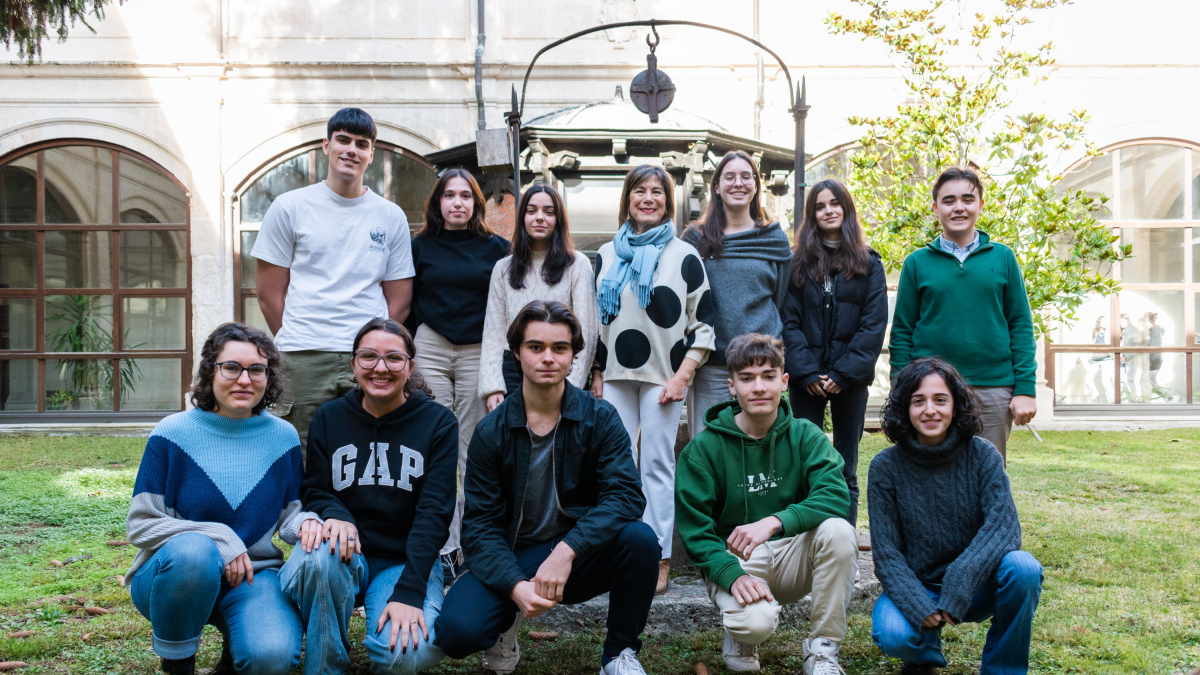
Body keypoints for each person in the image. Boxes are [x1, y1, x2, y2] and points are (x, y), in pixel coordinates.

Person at [437, 301, 660, 675]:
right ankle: (506, 622)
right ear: (516, 353)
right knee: (458, 632)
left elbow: (625, 496)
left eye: (560, 348)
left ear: (573, 356)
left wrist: (566, 550)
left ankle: (619, 655)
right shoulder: (491, 432)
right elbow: (479, 528)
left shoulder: (599, 418)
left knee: (640, 540)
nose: (548, 358)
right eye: (535, 347)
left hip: (579, 555)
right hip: (515, 555)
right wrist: (513, 586)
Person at [126, 323, 313, 675]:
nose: (244, 380)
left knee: (272, 657)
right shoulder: (172, 432)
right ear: (210, 370)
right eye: (231, 367)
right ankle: (178, 665)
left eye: (257, 369)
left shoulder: (283, 436)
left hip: (253, 576)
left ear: (268, 377)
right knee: (195, 551)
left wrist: (311, 524)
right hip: (175, 576)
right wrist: (219, 535)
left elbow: (290, 514)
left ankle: (234, 654)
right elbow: (141, 524)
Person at [279, 318, 457, 675]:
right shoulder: (330, 417)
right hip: (343, 553)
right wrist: (336, 514)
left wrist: (410, 591)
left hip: (403, 560)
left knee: (405, 653)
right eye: (368, 356)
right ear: (353, 364)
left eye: (393, 358)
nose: (380, 367)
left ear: (409, 366)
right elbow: (314, 487)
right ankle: (327, 666)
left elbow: (434, 512)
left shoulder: (437, 422)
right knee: (318, 559)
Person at [675, 333, 857, 675]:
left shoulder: (806, 435)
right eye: (746, 378)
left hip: (792, 554)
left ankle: (822, 651)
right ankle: (741, 636)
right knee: (755, 622)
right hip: (738, 559)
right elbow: (695, 531)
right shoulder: (702, 450)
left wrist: (774, 521)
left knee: (839, 531)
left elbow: (835, 494)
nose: (758, 387)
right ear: (732, 387)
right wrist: (729, 575)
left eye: (768, 376)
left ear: (784, 381)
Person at [253, 108, 415, 452]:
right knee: (299, 453)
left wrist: (374, 348)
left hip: (368, 357)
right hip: (303, 354)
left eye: (361, 144)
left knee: (367, 452)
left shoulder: (390, 216)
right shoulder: (289, 207)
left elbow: (399, 300)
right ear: (326, 146)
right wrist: (302, 331)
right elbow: (268, 294)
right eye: (343, 140)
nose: (351, 150)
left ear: (371, 154)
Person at [870, 357, 1042, 675]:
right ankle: (922, 658)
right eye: (917, 401)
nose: (930, 410)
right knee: (893, 634)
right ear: (904, 408)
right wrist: (919, 605)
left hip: (977, 584)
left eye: (940, 400)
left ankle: (1002, 669)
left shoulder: (983, 455)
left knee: (1024, 569)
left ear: (955, 405)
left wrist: (959, 584)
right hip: (919, 586)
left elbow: (1004, 528)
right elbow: (886, 553)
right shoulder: (885, 467)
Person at [592, 164, 716, 593]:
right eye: (639, 191)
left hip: (665, 377)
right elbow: (597, 324)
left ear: (668, 201)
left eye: (656, 192)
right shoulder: (607, 254)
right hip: (613, 376)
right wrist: (595, 372)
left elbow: (703, 325)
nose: (648, 198)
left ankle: (658, 557)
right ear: (627, 198)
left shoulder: (684, 255)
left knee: (657, 465)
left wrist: (683, 377)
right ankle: (619, 552)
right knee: (616, 465)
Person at [888, 167, 1037, 462]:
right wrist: (901, 388)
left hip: (993, 386)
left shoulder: (1003, 257)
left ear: (980, 205)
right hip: (931, 388)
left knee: (988, 473)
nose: (959, 207)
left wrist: (1025, 389)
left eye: (967, 199)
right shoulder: (917, 263)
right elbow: (902, 331)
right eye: (949, 200)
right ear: (935, 208)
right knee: (930, 471)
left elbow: (1020, 324)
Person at [408, 168, 510, 577]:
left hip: (477, 350)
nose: (457, 203)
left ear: (476, 204)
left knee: (472, 449)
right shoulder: (419, 247)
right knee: (430, 443)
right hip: (430, 344)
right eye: (449, 195)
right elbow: (406, 297)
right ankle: (439, 546)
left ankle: (470, 544)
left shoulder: (496, 248)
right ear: (437, 203)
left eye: (465, 196)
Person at [782, 178, 887, 530]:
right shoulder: (797, 264)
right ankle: (806, 544)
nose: (828, 211)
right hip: (805, 381)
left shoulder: (869, 262)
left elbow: (872, 327)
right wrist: (807, 373)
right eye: (820, 206)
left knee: (846, 465)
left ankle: (843, 544)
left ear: (846, 209)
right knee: (804, 462)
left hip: (850, 383)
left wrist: (843, 374)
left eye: (834, 204)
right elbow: (789, 321)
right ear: (812, 215)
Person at [681, 150, 792, 439]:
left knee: (761, 448)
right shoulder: (696, 239)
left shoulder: (774, 239)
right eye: (729, 177)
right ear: (716, 186)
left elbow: (779, 300)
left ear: (756, 185)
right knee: (707, 448)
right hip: (711, 366)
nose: (738, 183)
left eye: (746, 176)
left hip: (762, 367)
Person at [479, 183, 598, 409]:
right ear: (522, 217)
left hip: (563, 366)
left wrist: (572, 386)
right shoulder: (503, 268)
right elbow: (493, 331)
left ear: (558, 219)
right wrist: (492, 385)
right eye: (531, 211)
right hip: (513, 370)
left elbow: (587, 333)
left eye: (549, 212)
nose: (540, 217)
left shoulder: (578, 264)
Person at [1145, 312, 1164, 386]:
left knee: (1151, 381)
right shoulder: (1152, 331)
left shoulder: (1154, 331)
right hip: (1154, 359)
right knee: (1150, 382)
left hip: (1154, 360)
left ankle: (1169, 397)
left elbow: (1153, 348)